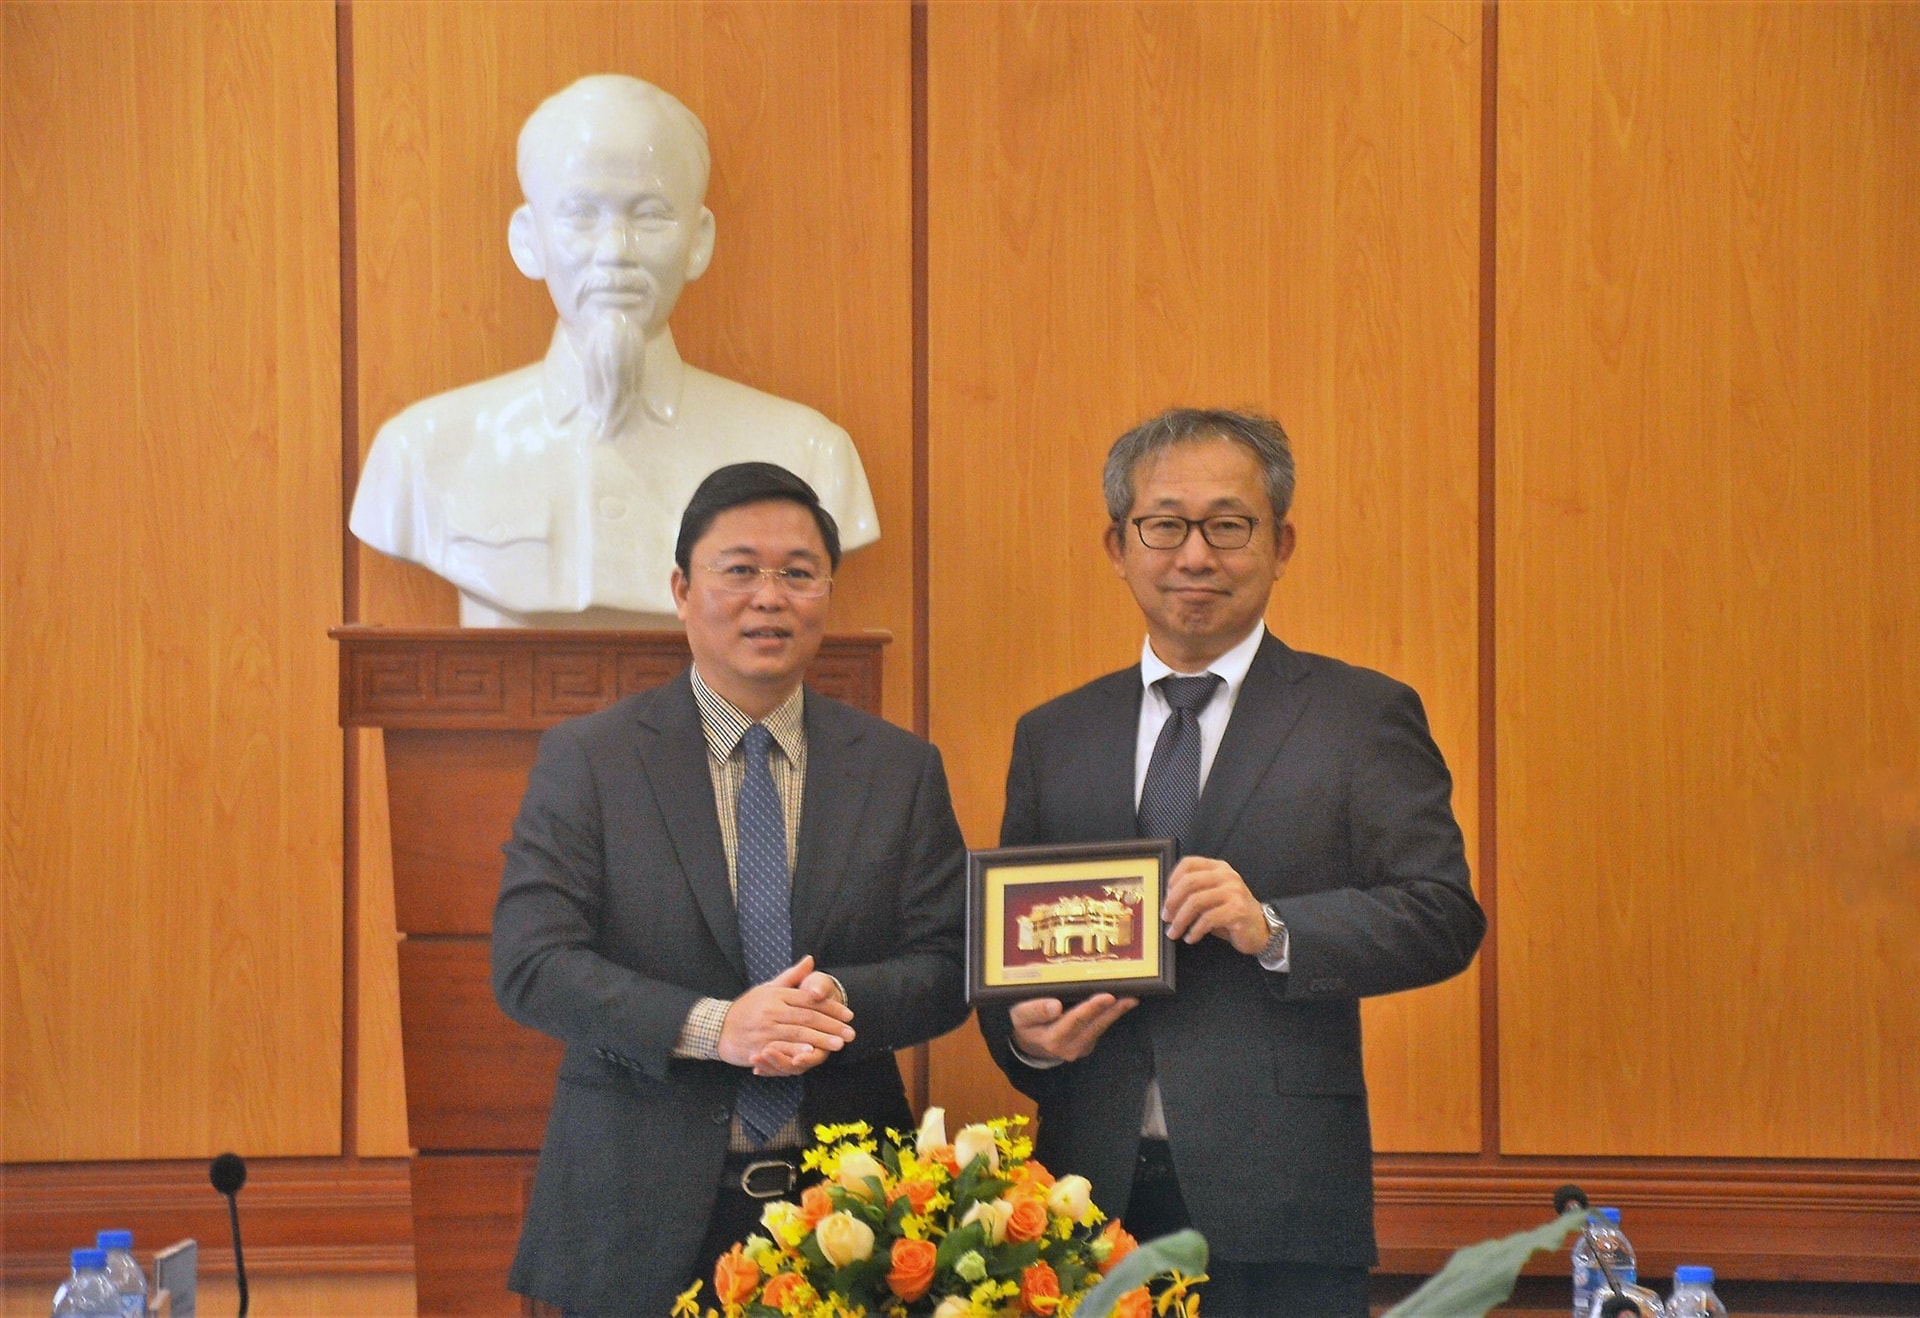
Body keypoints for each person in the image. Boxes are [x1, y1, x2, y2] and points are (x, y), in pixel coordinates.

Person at [976, 408, 1486, 1317]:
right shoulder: (1055, 735)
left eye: (1229, 524)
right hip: (1080, 1208)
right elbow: (1008, 950)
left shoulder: (1360, 716)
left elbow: (1443, 916)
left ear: (1281, 542)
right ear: (1118, 545)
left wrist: (1277, 926)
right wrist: (1027, 1041)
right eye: (1164, 525)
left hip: (1281, 1200)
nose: (1195, 556)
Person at [492, 462, 964, 1314]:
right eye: (738, 569)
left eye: (797, 572)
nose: (769, 597)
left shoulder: (898, 768)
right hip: (634, 1206)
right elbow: (531, 964)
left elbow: (948, 964)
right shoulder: (591, 761)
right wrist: (717, 1028)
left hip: (852, 1213)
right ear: (682, 589)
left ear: (827, 590)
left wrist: (822, 1006)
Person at [350, 75, 879, 626]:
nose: (615, 252)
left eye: (650, 215)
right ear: (528, 240)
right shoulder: (420, 453)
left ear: (698, 241)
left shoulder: (807, 454)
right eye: (581, 214)